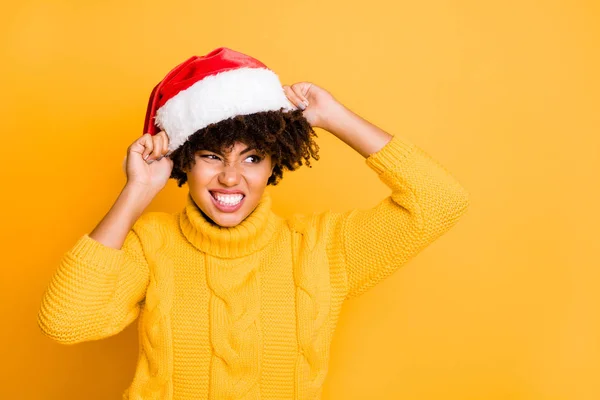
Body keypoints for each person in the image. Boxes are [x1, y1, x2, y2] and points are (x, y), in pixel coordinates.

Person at [37, 47, 470, 399]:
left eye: (251, 157)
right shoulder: (151, 244)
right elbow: (67, 321)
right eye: (211, 156)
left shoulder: (322, 248)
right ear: (185, 161)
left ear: (273, 165)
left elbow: (440, 200)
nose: (231, 177)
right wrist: (137, 191)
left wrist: (334, 116)